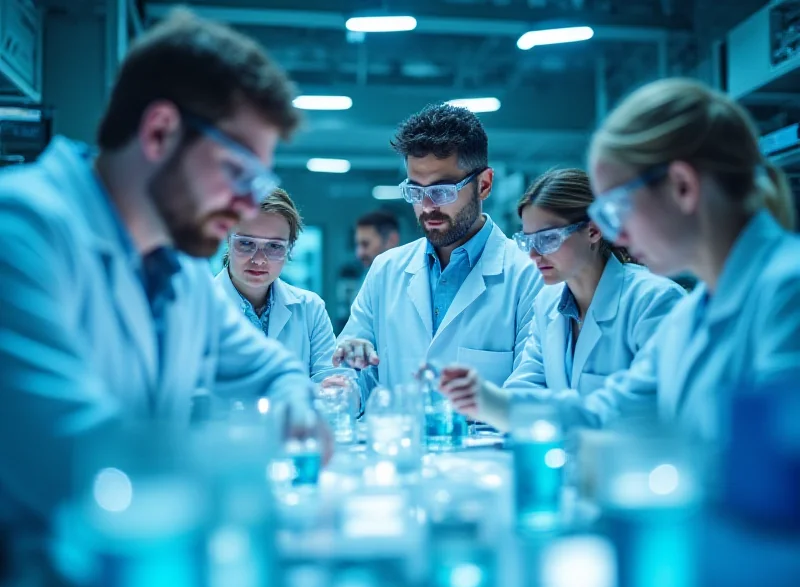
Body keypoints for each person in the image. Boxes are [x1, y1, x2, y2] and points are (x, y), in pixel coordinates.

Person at [0, 9, 329, 529]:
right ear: (159, 132)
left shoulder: (176, 266)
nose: (248, 204)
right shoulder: (21, 232)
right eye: (236, 170)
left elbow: (276, 370)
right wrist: (247, 460)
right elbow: (79, 458)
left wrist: (296, 407)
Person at [456, 78, 800, 440]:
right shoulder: (691, 315)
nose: (618, 236)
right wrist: (488, 402)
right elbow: (608, 414)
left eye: (619, 208)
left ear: (682, 186)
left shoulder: (788, 292)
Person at [438, 168, 685, 430]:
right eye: (527, 241)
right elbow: (527, 384)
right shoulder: (548, 304)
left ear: (593, 230)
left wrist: (499, 406)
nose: (533, 254)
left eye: (547, 239)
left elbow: (639, 410)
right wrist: (481, 400)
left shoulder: (655, 302)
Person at [334, 103, 543, 398]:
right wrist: (345, 385)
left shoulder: (528, 275)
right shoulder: (386, 270)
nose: (428, 206)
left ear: (484, 185)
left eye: (442, 191)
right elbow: (355, 374)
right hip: (400, 441)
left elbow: (531, 391)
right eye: (416, 192)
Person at [215, 188, 336, 380]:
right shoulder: (196, 307)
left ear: (289, 248)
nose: (259, 260)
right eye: (246, 243)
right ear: (228, 240)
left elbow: (330, 384)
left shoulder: (310, 309)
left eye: (274, 246)